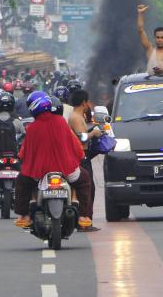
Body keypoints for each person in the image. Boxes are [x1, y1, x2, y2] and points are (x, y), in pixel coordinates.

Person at [14, 91, 94, 229]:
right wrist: (80, 157)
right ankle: (83, 216)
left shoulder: (32, 128)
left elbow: (23, 153)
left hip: (38, 173)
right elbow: (75, 145)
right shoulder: (61, 122)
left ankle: (24, 216)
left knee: (22, 182)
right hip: (67, 170)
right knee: (85, 180)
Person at [68, 90, 102, 232]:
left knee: (89, 188)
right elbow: (81, 138)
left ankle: (86, 220)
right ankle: (84, 221)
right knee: (87, 188)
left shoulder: (78, 116)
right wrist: (94, 133)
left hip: (84, 155)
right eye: (87, 102)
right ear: (84, 102)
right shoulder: (75, 117)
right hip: (81, 155)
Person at [137, 5, 163, 75]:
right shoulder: (149, 50)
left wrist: (161, 69)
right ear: (154, 38)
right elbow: (140, 30)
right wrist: (140, 14)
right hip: (150, 84)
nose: (160, 40)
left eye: (162, 37)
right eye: (158, 37)